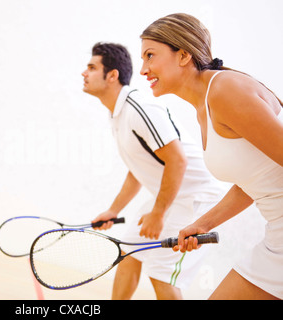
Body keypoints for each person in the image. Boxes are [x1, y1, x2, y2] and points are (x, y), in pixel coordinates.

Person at [139, 13, 283, 300]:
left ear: (183, 55)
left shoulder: (224, 91)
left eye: (150, 55)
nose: (144, 69)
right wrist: (203, 224)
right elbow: (258, 178)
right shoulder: (207, 103)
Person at [82, 42, 226, 300]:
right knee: (130, 251)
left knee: (161, 273)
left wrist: (158, 213)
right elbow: (137, 169)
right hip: (173, 196)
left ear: (112, 75)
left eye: (92, 67)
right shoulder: (117, 114)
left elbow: (177, 161)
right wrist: (114, 211)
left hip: (196, 199)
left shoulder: (139, 108)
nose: (84, 73)